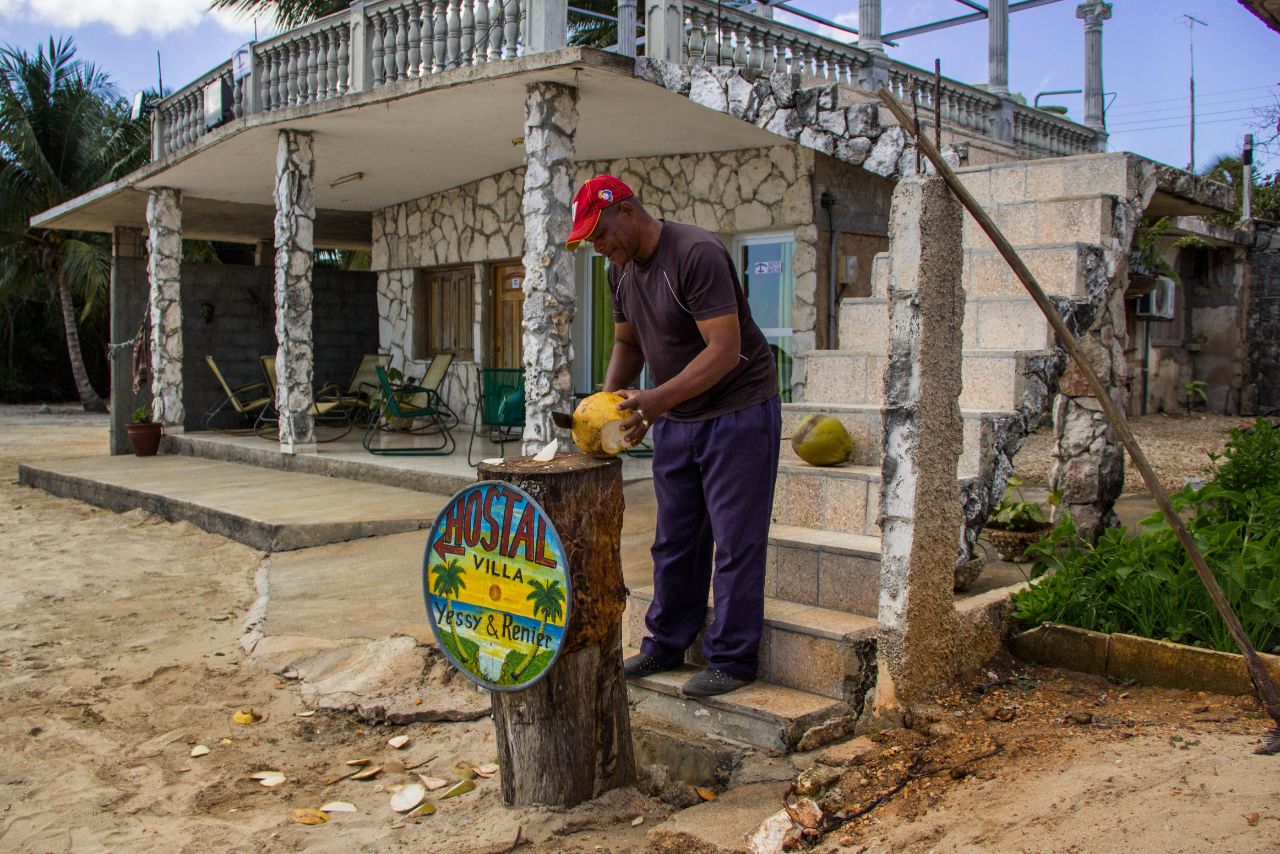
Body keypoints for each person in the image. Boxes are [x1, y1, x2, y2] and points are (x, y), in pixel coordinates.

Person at [565, 175, 781, 697]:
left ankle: (732, 658)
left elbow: (724, 349)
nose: (599, 247)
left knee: (734, 541)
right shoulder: (619, 273)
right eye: (590, 241)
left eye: (600, 233)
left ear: (627, 211)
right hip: (681, 418)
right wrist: (608, 404)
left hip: (738, 411)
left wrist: (658, 400)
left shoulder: (696, 253)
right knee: (675, 540)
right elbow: (628, 341)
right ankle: (666, 643)